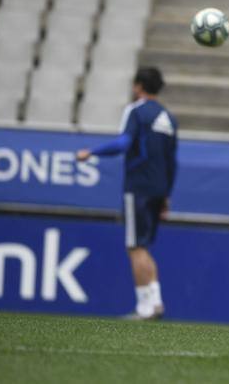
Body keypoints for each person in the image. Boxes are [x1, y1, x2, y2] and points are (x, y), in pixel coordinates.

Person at [76, 66, 177, 320]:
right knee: (144, 246)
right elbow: (171, 161)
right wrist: (166, 195)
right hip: (158, 189)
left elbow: (123, 143)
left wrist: (92, 152)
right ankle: (155, 303)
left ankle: (145, 307)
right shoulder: (168, 118)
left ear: (138, 86)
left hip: (138, 188)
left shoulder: (135, 111)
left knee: (135, 247)